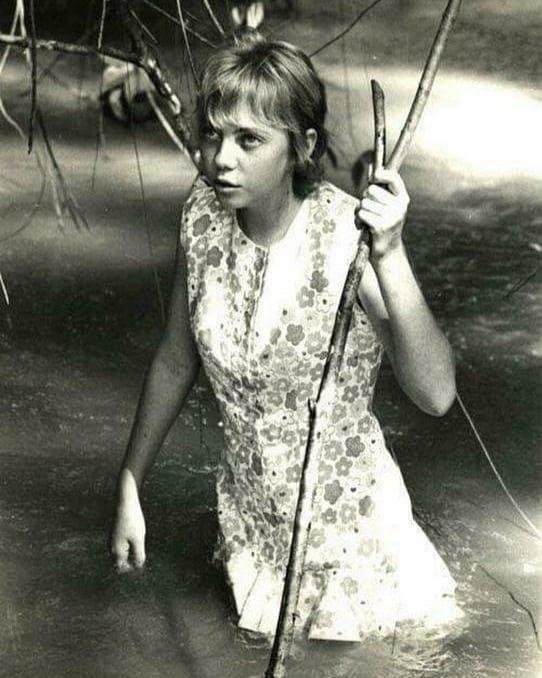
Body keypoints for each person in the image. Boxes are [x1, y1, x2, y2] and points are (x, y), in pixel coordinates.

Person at [110, 31, 462, 642]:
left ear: (302, 146)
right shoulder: (202, 216)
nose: (222, 158)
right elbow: (174, 360)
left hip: (353, 551)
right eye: (213, 134)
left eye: (249, 140)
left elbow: (436, 395)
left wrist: (391, 253)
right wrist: (130, 484)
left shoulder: (348, 238)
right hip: (252, 539)